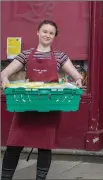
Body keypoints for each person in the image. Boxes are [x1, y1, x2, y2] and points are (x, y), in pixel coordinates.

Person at [0, 20, 83, 180]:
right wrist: (4, 79)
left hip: (49, 106)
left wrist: (78, 79)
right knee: (13, 145)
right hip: (27, 106)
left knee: (45, 147)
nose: (47, 35)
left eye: (51, 33)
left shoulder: (60, 56)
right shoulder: (25, 54)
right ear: (38, 32)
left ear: (54, 37)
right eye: (45, 31)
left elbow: (75, 74)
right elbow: (5, 72)